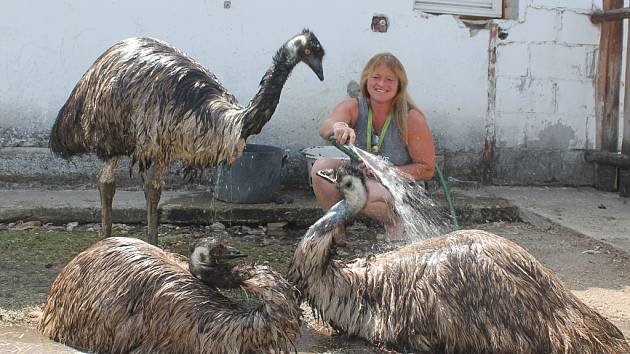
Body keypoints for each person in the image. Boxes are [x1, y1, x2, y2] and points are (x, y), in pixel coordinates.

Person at [311, 52, 435, 246]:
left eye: (389, 79)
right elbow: (327, 125)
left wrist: (384, 170)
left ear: (399, 85)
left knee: (358, 188)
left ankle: (397, 222)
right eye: (376, 77)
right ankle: (336, 230)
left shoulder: (411, 117)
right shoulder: (355, 106)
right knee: (321, 168)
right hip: (363, 181)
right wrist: (339, 126)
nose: (381, 84)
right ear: (366, 80)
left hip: (401, 191)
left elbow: (427, 169)